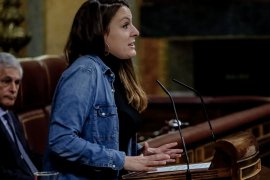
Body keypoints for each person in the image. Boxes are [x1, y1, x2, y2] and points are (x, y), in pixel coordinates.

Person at [43, 0, 183, 179]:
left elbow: (105, 138)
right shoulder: (84, 72)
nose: (136, 32)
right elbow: (61, 140)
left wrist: (138, 154)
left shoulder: (115, 72)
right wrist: (124, 160)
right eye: (125, 25)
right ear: (100, 33)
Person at [0, 52, 39, 179]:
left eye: (17, 83)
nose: (13, 89)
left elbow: (25, 155)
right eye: (6, 81)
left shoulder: (10, 115)